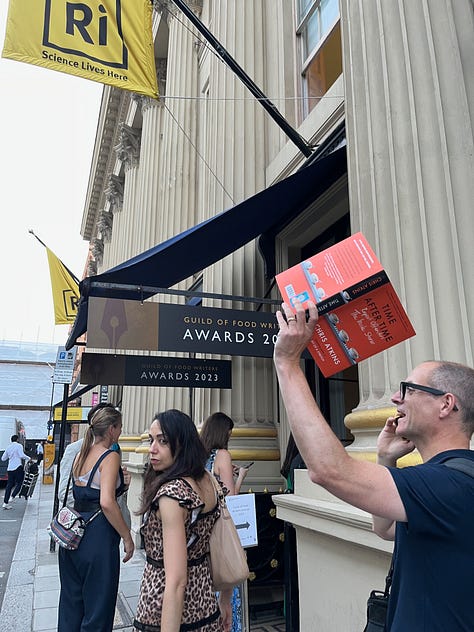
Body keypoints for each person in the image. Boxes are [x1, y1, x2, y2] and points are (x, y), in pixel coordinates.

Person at [273, 298, 474, 632]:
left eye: (408, 389)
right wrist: (386, 459)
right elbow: (386, 529)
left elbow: (328, 470)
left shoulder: (448, 485)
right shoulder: (442, 483)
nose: (396, 399)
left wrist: (288, 362)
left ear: (446, 404)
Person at [133, 409, 232, 632]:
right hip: (206, 606)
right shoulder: (208, 481)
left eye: (163, 441)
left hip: (165, 610)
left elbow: (176, 581)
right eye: (151, 440)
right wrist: (225, 598)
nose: (152, 449)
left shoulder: (172, 494)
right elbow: (224, 545)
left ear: (182, 443)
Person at [57, 404, 135, 632]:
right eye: (119, 427)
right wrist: (127, 537)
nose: (120, 432)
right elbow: (106, 502)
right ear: (111, 429)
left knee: (71, 604)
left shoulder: (81, 453)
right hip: (97, 538)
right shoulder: (109, 457)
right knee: (98, 608)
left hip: (73, 535)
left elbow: (77, 492)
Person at [200, 412, 251, 632]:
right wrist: (240, 476)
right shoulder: (223, 454)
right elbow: (230, 497)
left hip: (203, 528)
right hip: (221, 528)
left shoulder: (199, 456)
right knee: (228, 578)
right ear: (224, 432)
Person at [2, 435, 30, 509]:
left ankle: (5, 502)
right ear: (17, 439)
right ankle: (13, 496)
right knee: (20, 483)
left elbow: (3, 458)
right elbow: (21, 455)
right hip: (17, 467)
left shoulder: (8, 447)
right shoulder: (19, 446)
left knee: (9, 485)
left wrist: (10, 456)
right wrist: (29, 458)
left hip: (10, 468)